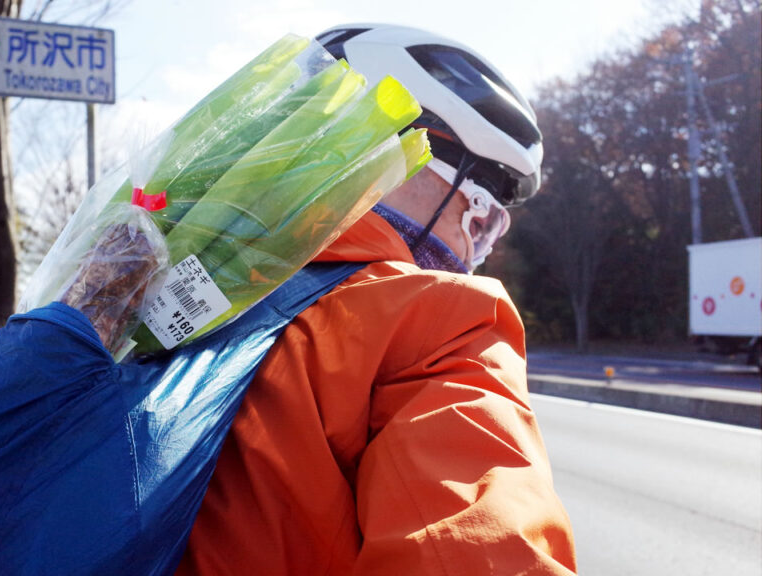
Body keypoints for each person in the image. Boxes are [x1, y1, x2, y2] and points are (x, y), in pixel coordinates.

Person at [176, 24, 579, 575]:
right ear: (405, 163)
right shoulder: (440, 323)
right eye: (480, 216)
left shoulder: (165, 287)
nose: (471, 250)